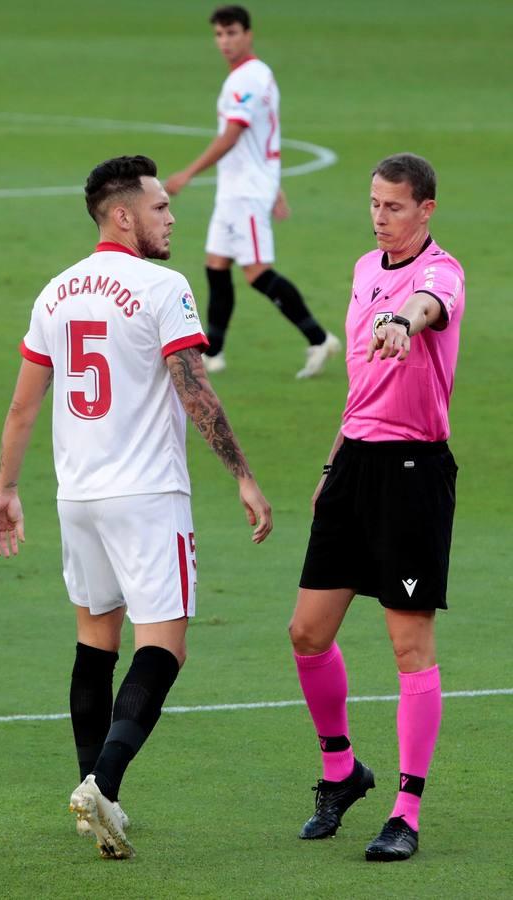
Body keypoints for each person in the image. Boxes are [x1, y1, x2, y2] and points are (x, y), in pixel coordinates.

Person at [0, 155, 271, 859]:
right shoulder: (162, 286)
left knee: (94, 642)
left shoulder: (54, 293)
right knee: (164, 647)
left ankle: (94, 788)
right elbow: (194, 390)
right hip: (146, 496)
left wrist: (6, 490)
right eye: (160, 207)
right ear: (123, 215)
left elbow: (25, 405)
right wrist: (242, 474)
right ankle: (103, 787)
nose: (171, 217)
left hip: (76, 496)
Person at [288, 153, 464, 862]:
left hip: (414, 474)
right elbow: (362, 384)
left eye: (394, 206)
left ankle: (406, 810)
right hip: (355, 464)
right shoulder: (366, 268)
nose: (380, 217)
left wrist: (403, 320)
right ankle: (341, 773)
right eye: (373, 204)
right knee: (307, 632)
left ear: (426, 209)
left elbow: (427, 307)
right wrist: (333, 461)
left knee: (408, 645)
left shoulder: (441, 273)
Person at [164, 5, 340, 378]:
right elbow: (268, 134)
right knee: (216, 266)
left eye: (232, 33)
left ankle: (319, 338)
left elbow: (234, 134)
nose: (225, 41)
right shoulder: (255, 76)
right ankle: (215, 353)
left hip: (245, 191)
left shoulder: (247, 79)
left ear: (248, 34)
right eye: (219, 35)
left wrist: (188, 173)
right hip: (238, 188)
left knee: (258, 273)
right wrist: (275, 186)